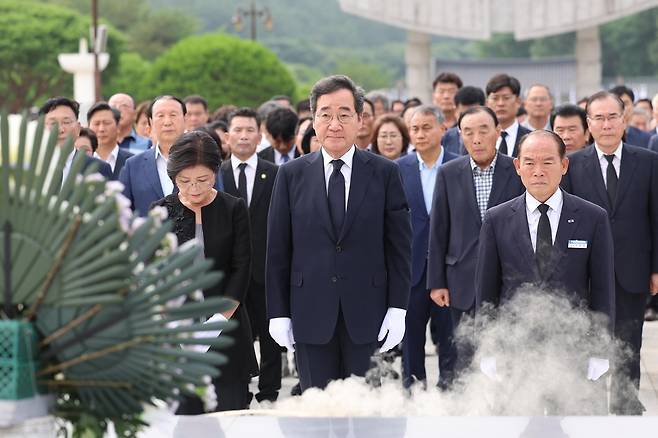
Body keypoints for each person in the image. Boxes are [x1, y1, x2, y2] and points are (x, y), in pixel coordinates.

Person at [266, 75, 412, 391]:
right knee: (318, 414)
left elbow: (399, 248)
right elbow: (278, 250)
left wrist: (398, 308)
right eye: (325, 114)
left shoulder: (385, 173)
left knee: (364, 415)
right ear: (313, 120)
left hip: (368, 315)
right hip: (309, 313)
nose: (335, 123)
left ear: (360, 120)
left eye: (344, 114)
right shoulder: (291, 175)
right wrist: (278, 313)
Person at [475, 130, 615, 412]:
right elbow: (486, 291)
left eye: (548, 162)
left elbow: (602, 289)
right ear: (517, 166)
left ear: (564, 166)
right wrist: (488, 348)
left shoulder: (593, 217)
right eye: (529, 162)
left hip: (573, 349)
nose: (538, 171)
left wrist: (600, 350)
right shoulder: (497, 219)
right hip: (515, 349)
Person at [561, 91, 658, 415]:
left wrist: (655, 268)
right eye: (598, 118)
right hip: (585, 274)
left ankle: (626, 408)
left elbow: (656, 218)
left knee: (629, 345)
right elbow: (566, 223)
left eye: (612, 117)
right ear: (588, 124)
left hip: (632, 270)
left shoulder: (647, 161)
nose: (606, 124)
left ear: (624, 119)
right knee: (588, 346)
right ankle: (588, 412)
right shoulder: (573, 165)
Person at [152, 131, 257, 412]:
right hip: (177, 335)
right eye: (185, 182)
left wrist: (216, 322)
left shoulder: (233, 208)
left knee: (230, 414)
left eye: (203, 180)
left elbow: (241, 268)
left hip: (226, 327)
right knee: (185, 421)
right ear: (173, 176)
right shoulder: (160, 212)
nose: (195, 189)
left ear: (215, 172)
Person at [427, 106, 524, 375]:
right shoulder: (449, 173)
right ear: (460, 135)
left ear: (498, 132)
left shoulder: (516, 168)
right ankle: (472, 414)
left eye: (483, 130)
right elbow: (439, 230)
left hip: (510, 279)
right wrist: (437, 282)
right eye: (468, 132)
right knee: (467, 357)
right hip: (462, 279)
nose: (477, 138)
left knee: (508, 356)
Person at [220, 107, 281, 403]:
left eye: (249, 130)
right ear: (227, 135)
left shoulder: (277, 174)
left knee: (271, 335)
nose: (243, 136)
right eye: (238, 130)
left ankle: (269, 390)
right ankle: (239, 388)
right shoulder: (216, 175)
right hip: (230, 271)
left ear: (260, 136)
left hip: (266, 269)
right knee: (235, 333)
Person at [396, 105, 458, 389]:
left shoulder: (459, 166)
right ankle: (414, 395)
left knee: (450, 340)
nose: (419, 134)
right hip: (412, 270)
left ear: (442, 129)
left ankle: (450, 397)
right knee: (411, 342)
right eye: (414, 129)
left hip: (450, 270)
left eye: (426, 127)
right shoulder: (398, 169)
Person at [120, 95, 222, 216]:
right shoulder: (132, 165)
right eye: (160, 116)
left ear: (185, 119)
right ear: (151, 122)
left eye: (173, 115)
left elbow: (219, 204)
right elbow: (124, 212)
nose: (167, 122)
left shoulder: (205, 157)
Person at [39, 96, 112, 184]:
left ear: (78, 128)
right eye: (53, 123)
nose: (60, 129)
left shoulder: (99, 168)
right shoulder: (31, 166)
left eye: (66, 122)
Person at [485, 74, 532, 157]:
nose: (500, 103)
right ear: (487, 102)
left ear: (518, 101)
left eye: (506, 98)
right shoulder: (479, 138)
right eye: (495, 98)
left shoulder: (531, 138)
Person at [87, 101, 133, 180]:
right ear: (88, 127)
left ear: (118, 127)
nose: (101, 129)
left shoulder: (132, 161)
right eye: (96, 124)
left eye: (107, 123)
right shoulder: (80, 161)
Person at [441, 86, 486, 156]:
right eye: (463, 115)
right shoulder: (445, 137)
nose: (469, 120)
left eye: (474, 115)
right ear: (455, 111)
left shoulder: (493, 136)